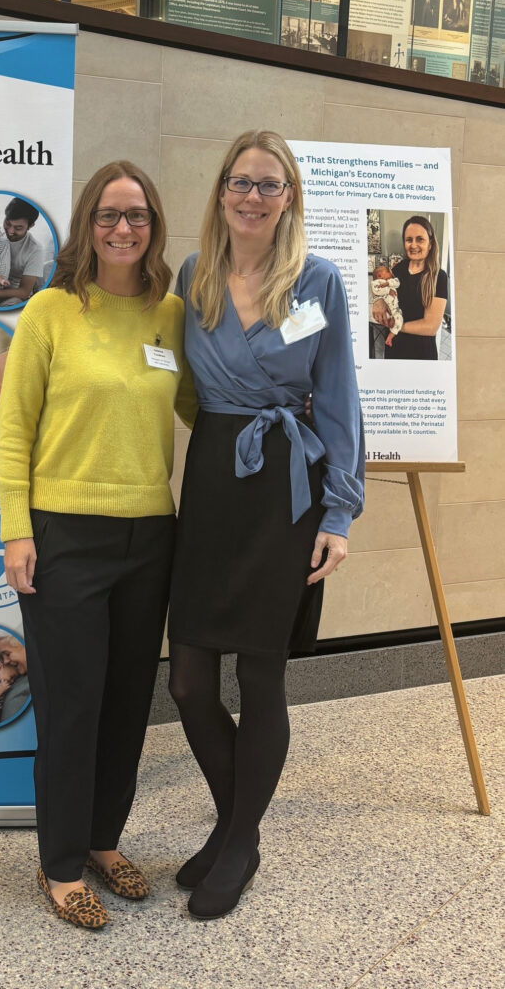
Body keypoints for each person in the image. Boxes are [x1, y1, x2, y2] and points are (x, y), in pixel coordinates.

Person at [168, 130, 364, 920]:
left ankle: (239, 840)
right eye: (241, 182)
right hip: (214, 476)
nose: (253, 197)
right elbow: (177, 385)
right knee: (187, 680)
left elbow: (339, 397)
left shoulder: (316, 281)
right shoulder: (192, 276)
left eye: (269, 185)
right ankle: (234, 824)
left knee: (259, 674)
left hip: (286, 484)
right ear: (220, 191)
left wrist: (339, 510)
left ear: (289, 198)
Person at [0, 160, 195, 929]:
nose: (122, 228)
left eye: (136, 215)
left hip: (150, 536)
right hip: (65, 535)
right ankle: (58, 865)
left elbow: (199, 407)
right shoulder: (49, 311)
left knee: (125, 704)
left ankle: (103, 842)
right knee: (71, 707)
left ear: (153, 227)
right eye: (109, 215)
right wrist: (17, 530)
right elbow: (13, 427)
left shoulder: (169, 314)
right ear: (88, 225)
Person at [374, 216, 448, 361]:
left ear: (430, 244)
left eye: (420, 239)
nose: (413, 245)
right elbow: (384, 291)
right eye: (409, 240)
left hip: (421, 354)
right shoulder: (397, 269)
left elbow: (430, 327)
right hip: (393, 348)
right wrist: (379, 300)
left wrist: (396, 326)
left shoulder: (439, 277)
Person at [370, 262, 403, 349]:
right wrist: (388, 291)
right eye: (388, 271)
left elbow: (397, 283)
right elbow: (375, 290)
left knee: (399, 319)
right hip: (385, 306)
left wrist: (388, 283)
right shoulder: (377, 282)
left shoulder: (390, 282)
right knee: (385, 317)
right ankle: (389, 322)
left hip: (395, 308)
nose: (391, 272)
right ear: (380, 275)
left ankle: (391, 335)